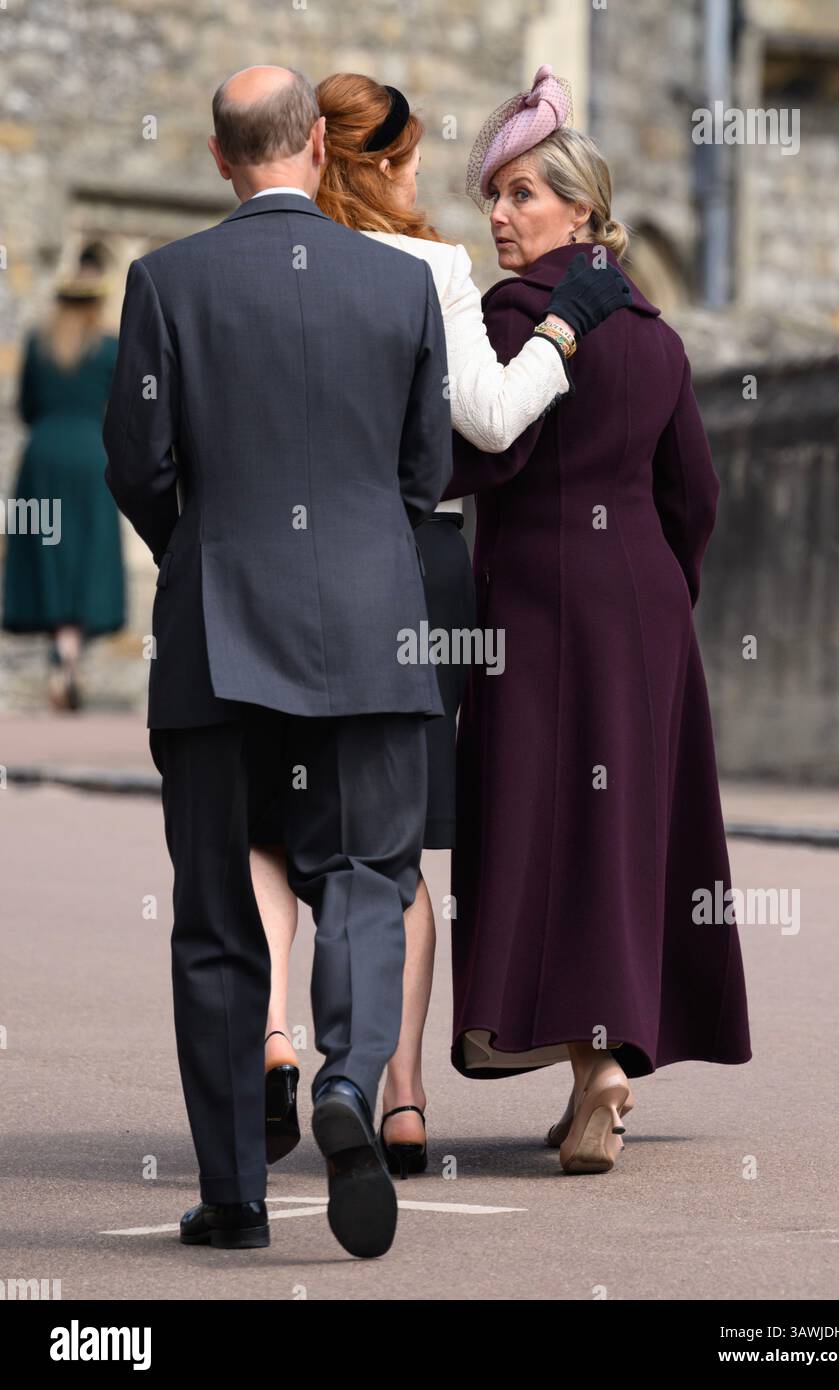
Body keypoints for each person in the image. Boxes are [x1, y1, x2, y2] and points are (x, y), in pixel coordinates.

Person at [253, 68, 634, 1177]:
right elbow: (498, 419)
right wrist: (563, 329)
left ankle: (281, 1039)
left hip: (272, 576)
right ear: (377, 162)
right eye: (419, 165)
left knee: (272, 832)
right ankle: (399, 1094)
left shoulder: (243, 260)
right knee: (394, 847)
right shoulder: (431, 268)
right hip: (405, 576)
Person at [104, 65, 451, 1258]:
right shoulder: (401, 286)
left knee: (213, 917)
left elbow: (138, 467)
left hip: (215, 638)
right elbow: (421, 476)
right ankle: (352, 1076)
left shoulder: (164, 282)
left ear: (218, 159)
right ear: (315, 145)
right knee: (362, 871)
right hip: (367, 632)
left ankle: (235, 1195)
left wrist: (200, 552)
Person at [443, 75, 752, 1174]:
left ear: (580, 211)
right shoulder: (659, 339)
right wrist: (667, 600)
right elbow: (697, 497)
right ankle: (597, 1067)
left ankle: (598, 1068)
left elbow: (492, 452)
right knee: (622, 838)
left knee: (547, 830)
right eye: (493, 196)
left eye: (523, 194)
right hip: (649, 604)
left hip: (537, 599)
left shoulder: (515, 320)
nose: (500, 215)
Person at [3, 246, 125, 709]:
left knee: (47, 551)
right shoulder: (109, 348)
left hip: (43, 455)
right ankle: (71, 648)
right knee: (87, 554)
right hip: (90, 456)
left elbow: (25, 408)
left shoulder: (38, 344)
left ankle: (60, 644)